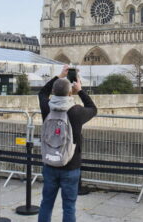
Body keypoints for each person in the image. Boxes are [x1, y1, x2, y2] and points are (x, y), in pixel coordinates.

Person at [38, 65, 97, 222]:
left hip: (50, 162)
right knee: (69, 206)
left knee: (46, 203)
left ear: (53, 92)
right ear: (70, 92)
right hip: (71, 165)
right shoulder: (76, 111)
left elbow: (42, 92)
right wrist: (81, 91)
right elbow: (93, 108)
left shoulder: (46, 107)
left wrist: (59, 76)